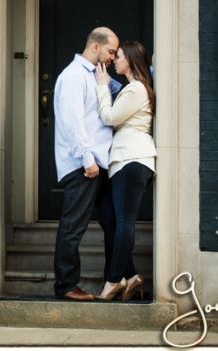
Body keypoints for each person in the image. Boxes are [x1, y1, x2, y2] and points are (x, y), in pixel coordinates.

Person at [53, 27, 120, 301]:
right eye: (111, 51)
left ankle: (117, 279)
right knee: (73, 225)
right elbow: (73, 122)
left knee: (112, 221)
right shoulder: (73, 76)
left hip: (99, 163)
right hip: (84, 165)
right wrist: (87, 159)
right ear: (95, 46)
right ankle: (66, 285)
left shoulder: (95, 75)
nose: (113, 57)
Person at [94, 40, 157, 301]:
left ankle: (113, 280)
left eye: (118, 56)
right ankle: (131, 276)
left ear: (130, 60)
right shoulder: (131, 88)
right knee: (108, 217)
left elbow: (110, 117)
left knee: (124, 221)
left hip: (133, 159)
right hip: (122, 161)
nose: (114, 60)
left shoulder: (137, 89)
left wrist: (101, 87)